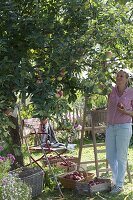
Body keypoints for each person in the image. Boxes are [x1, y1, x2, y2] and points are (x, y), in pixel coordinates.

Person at [105, 69, 133, 194]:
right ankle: (116, 181)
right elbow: (108, 105)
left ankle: (119, 185)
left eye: (122, 76)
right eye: (117, 75)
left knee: (121, 157)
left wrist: (125, 112)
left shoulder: (132, 92)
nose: (119, 77)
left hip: (124, 127)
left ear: (127, 79)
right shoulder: (111, 91)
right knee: (111, 156)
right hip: (110, 127)